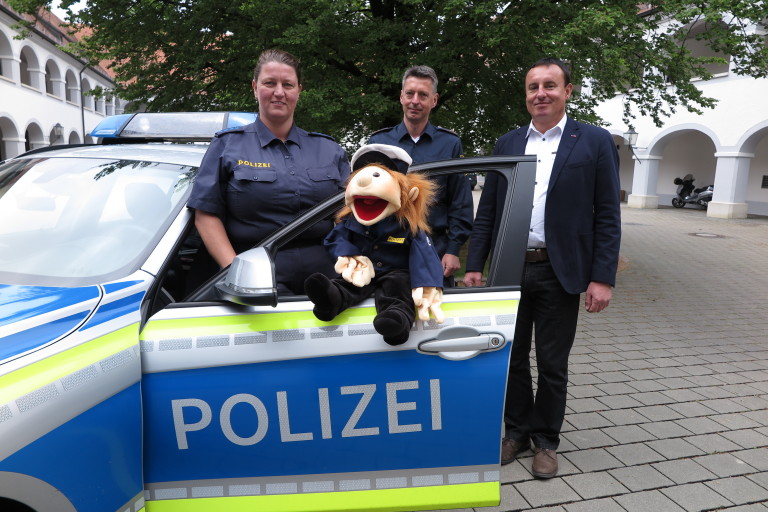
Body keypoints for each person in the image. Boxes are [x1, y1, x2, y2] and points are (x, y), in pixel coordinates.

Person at [463, 57, 621, 479]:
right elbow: (488, 209)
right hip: (510, 269)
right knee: (511, 358)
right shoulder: (508, 143)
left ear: (567, 90)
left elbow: (607, 214)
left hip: (559, 270)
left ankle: (546, 440)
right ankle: (516, 431)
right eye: (533, 87)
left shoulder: (593, 141)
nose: (541, 94)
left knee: (553, 364)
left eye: (550, 85)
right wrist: (476, 263)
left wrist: (602, 277)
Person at [187, 49, 350, 295]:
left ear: (299, 90)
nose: (279, 92)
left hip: (329, 274)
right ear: (255, 88)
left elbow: (349, 214)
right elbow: (206, 215)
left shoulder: (328, 149)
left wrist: (352, 263)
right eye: (269, 83)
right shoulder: (227, 145)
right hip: (257, 274)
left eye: (288, 85)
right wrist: (234, 272)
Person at [368, 65, 473, 287]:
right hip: (387, 252)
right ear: (401, 97)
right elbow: (366, 200)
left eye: (423, 95)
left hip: (435, 251)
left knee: (432, 308)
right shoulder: (378, 143)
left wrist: (454, 250)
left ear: (434, 100)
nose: (415, 101)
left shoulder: (450, 144)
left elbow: (460, 202)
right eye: (410, 93)